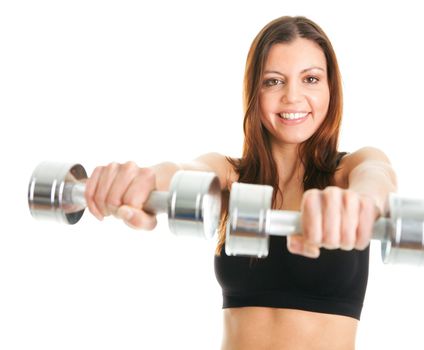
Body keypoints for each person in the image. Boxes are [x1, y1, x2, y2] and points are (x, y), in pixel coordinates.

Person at [84, 16, 397, 350]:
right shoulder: (233, 176)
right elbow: (183, 172)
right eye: (274, 82)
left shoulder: (349, 172)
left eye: (310, 79)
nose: (293, 96)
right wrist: (140, 181)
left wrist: (360, 203)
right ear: (255, 92)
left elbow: (378, 178)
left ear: (330, 89)